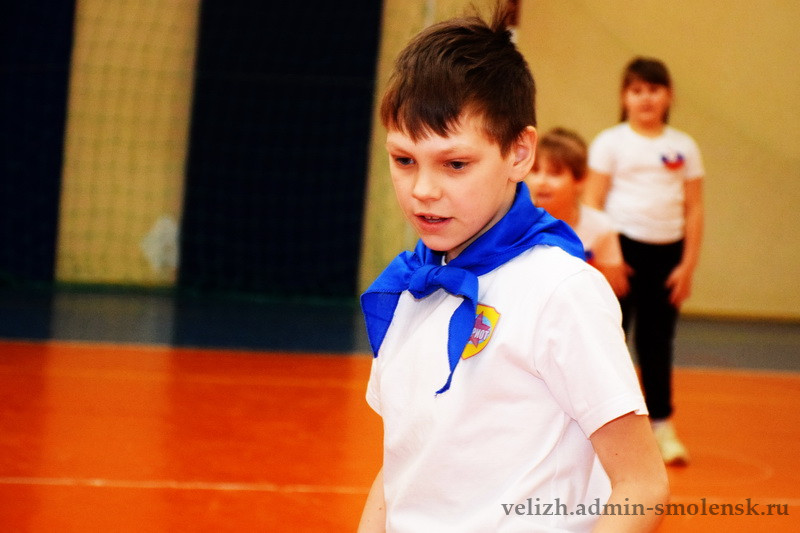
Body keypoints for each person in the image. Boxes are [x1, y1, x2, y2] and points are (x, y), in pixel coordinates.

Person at [358, 7, 668, 532]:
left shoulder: (561, 290)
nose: (422, 190)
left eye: (455, 164)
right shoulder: (408, 287)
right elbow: (400, 470)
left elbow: (642, 485)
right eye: (404, 159)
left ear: (520, 153)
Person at [584, 57, 705, 466]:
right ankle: (599, 428)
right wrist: (609, 257)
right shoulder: (610, 142)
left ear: (668, 96)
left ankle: (662, 426)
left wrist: (687, 265)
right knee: (609, 339)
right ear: (624, 97)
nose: (646, 98)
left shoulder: (684, 146)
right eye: (636, 90)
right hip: (621, 252)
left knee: (657, 342)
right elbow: (592, 201)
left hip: (667, 255)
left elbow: (694, 208)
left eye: (653, 89)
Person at [526, 127, 629, 297]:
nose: (542, 181)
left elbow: (609, 291)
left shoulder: (601, 228)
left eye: (554, 174)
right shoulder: (515, 223)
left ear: (580, 180)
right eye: (535, 171)